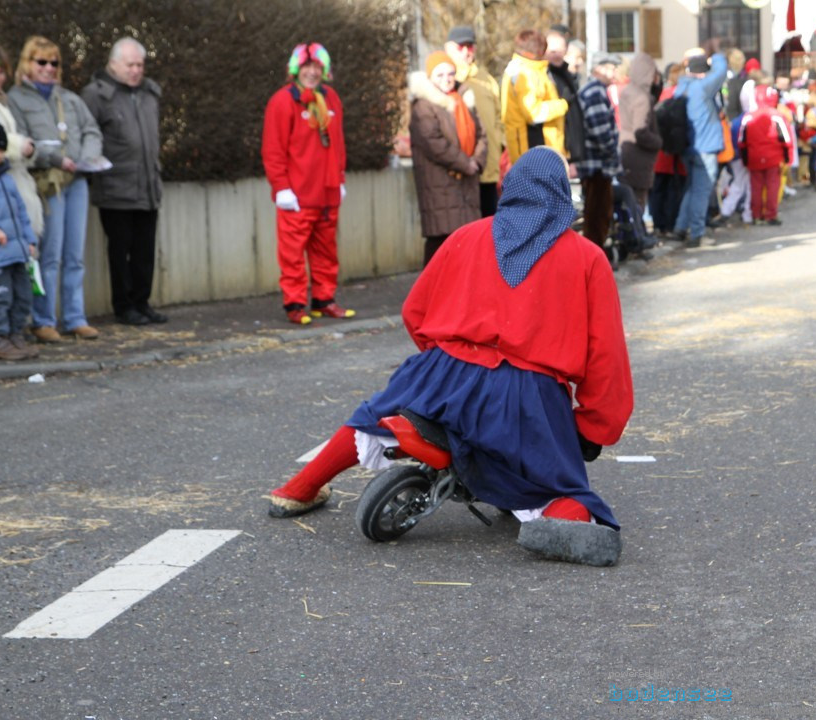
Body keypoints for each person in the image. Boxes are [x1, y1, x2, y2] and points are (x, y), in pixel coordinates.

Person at [266, 147, 633, 567]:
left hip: (442, 373)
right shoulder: (587, 257)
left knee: (373, 415)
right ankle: (558, 521)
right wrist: (593, 429)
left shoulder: (467, 236)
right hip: (526, 395)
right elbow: (606, 359)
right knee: (562, 486)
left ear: (509, 188)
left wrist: (445, 363)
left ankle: (297, 490)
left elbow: (415, 312)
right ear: (560, 194)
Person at [8, 36, 103, 342]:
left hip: (76, 182)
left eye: (54, 63)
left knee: (74, 254)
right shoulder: (16, 99)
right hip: (46, 184)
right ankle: (43, 319)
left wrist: (87, 156)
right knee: (50, 254)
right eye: (42, 62)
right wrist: (56, 159)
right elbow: (21, 143)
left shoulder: (70, 99)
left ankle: (75, 317)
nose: (49, 68)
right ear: (28, 63)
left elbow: (91, 130)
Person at [261, 42, 352, 325]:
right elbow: (273, 150)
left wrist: (339, 179)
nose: (312, 73)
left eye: (316, 67)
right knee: (292, 255)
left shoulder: (331, 98)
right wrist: (281, 187)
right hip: (297, 195)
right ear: (295, 70)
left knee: (326, 251)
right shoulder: (282, 101)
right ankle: (295, 304)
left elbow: (338, 145)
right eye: (306, 67)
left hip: (326, 193)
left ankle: (324, 300)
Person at [81, 38, 166, 326]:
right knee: (120, 252)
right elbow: (87, 135)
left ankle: (142, 302)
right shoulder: (96, 95)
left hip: (147, 186)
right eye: (130, 64)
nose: (135, 70)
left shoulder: (149, 94)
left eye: (140, 65)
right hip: (116, 189)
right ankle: (123, 306)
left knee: (144, 251)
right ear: (114, 63)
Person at [408, 51, 486, 266]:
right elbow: (433, 142)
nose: (447, 78)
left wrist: (477, 162)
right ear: (430, 76)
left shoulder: (464, 100)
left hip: (466, 184)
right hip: (439, 186)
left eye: (450, 73)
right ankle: (427, 296)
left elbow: (482, 135)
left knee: (466, 242)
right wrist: (465, 163)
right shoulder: (423, 107)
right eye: (440, 74)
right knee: (439, 242)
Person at [672, 47, 729, 248]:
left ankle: (680, 227)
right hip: (704, 147)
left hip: (689, 148)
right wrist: (716, 57)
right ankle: (697, 233)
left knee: (692, 189)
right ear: (702, 71)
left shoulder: (682, 87)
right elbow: (721, 72)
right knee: (701, 191)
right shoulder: (701, 87)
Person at [445, 26, 503, 218]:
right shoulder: (447, 78)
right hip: (464, 169)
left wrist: (500, 151)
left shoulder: (486, 79)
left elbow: (498, 120)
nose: (466, 52)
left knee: (489, 228)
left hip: (489, 170)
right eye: (460, 47)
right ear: (449, 48)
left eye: (470, 46)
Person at [0, 123, 40, 360]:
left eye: (1, 150)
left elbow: (21, 213)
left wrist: (29, 240)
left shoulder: (7, 179)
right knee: (0, 297)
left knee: (22, 295)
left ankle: (15, 334)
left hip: (17, 250)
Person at [576, 53, 623, 255]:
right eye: (611, 68)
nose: (614, 73)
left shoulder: (595, 90)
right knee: (597, 215)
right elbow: (600, 132)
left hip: (595, 164)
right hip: (597, 165)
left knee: (597, 213)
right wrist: (613, 153)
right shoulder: (595, 91)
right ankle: (594, 258)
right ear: (598, 69)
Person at [0, 47, 42, 241]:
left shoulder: (3, 101)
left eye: (1, 72)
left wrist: (28, 150)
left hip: (14, 181)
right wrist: (20, 146)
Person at [501, 30, 567, 163]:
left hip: (535, 145)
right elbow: (534, 114)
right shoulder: (524, 72)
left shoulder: (530, 69)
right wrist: (562, 105)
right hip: (531, 146)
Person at [739, 85, 793, 226]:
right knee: (772, 186)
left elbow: (742, 141)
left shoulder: (748, 116)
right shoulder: (777, 116)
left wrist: (745, 160)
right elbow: (786, 140)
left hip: (754, 158)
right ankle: (771, 215)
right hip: (773, 158)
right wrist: (788, 159)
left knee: (755, 187)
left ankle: (756, 215)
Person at [618, 52, 663, 210]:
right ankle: (636, 233)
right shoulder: (641, 98)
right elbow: (640, 131)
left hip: (627, 149)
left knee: (628, 201)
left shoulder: (628, 91)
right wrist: (658, 142)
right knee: (637, 202)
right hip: (639, 155)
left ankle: (631, 231)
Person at [650, 63, 687, 236]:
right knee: (673, 189)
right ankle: (670, 224)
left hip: (661, 150)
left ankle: (659, 225)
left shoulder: (662, 94)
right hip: (674, 151)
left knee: (659, 189)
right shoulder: (680, 95)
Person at [544, 29, 585, 170]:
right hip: (549, 153)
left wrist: (574, 155)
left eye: (561, 51)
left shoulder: (567, 75)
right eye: (553, 51)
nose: (557, 55)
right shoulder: (542, 75)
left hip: (567, 154)